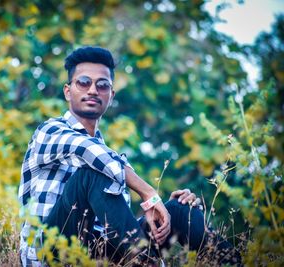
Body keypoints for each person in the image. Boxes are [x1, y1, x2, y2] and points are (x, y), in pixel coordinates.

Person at [18, 46, 241, 266]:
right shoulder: (49, 131)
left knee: (179, 210)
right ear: (68, 91)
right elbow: (85, 150)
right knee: (91, 174)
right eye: (84, 82)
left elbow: (115, 229)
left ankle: (233, 263)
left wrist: (162, 214)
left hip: (95, 254)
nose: (93, 90)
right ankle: (147, 263)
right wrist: (149, 193)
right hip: (50, 252)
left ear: (111, 95)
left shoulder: (112, 160)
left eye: (102, 85)